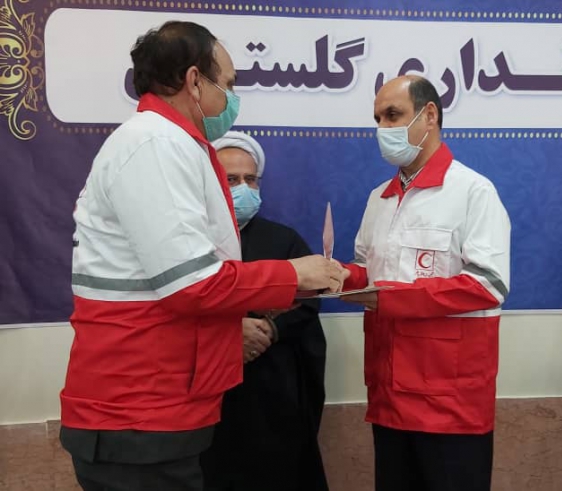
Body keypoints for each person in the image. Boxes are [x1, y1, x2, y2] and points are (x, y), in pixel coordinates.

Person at [60, 21, 345, 491]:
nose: (232, 98)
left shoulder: (175, 145)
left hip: (161, 408)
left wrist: (273, 302)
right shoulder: (155, 144)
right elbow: (192, 284)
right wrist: (292, 275)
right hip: (138, 414)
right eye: (227, 84)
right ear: (195, 81)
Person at [340, 75, 511, 491]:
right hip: (388, 395)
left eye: (393, 115)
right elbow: (368, 271)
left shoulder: (473, 191)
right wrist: (336, 277)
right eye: (378, 119)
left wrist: (389, 298)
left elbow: (488, 285)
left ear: (429, 115)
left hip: (449, 402)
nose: (383, 129)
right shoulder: (378, 198)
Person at [200, 131, 329, 491]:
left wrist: (270, 329)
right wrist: (230, 333)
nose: (243, 188)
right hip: (208, 395)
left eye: (250, 179)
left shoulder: (284, 239)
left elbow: (309, 300)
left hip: (272, 393)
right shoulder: (190, 241)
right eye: (231, 180)